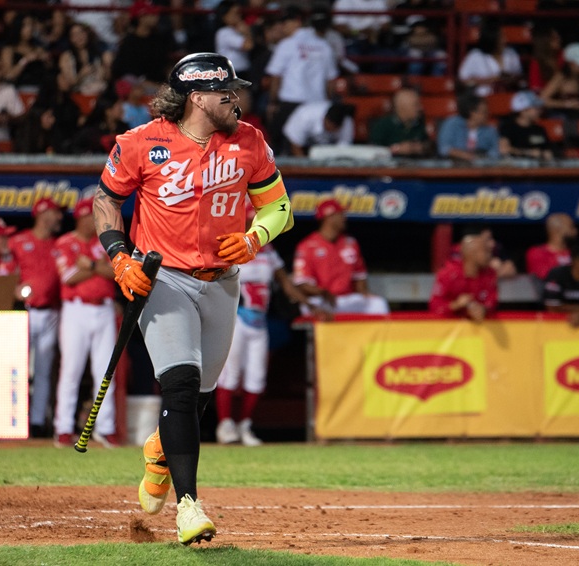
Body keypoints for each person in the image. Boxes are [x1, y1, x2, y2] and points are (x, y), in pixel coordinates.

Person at [93, 52, 293, 544]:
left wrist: (253, 238)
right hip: (164, 277)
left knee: (199, 396)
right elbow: (105, 200)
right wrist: (119, 256)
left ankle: (160, 451)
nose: (237, 99)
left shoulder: (251, 141)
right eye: (227, 91)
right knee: (180, 385)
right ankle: (188, 507)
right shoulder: (141, 142)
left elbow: (281, 207)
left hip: (223, 280)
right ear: (198, 97)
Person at [215, 202, 309, 446]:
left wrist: (309, 304)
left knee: (257, 377)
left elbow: (285, 282)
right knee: (230, 374)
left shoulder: (267, 250)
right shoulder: (231, 246)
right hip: (238, 318)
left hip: (259, 322)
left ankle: (245, 424)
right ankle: (225, 425)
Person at [52, 197, 119, 449]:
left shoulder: (105, 242)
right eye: (93, 216)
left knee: (105, 372)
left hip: (103, 310)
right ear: (81, 217)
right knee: (71, 370)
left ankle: (106, 428)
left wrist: (90, 265)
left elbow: (116, 272)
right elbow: (68, 277)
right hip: (75, 311)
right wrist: (98, 268)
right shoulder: (65, 243)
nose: (97, 220)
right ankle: (64, 428)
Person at [10, 197, 63, 439]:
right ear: (43, 214)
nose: (59, 217)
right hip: (24, 312)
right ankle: (14, 419)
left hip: (52, 312)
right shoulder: (18, 242)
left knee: (43, 370)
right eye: (55, 213)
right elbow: (5, 273)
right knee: (17, 368)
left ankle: (38, 421)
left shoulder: (59, 244)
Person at [293, 198, 389, 316]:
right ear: (329, 217)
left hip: (346, 299)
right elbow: (302, 284)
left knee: (378, 304)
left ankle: (375, 335)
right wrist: (323, 292)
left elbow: (360, 278)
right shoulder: (307, 246)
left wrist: (365, 294)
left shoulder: (350, 243)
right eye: (340, 214)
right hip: (322, 299)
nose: (344, 218)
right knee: (309, 306)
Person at [265, 5, 339, 155]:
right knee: (312, 147)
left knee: (278, 146)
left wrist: (273, 102)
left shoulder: (286, 44)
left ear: (297, 22)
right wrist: (328, 102)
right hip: (317, 103)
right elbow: (331, 81)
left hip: (290, 103)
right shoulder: (323, 45)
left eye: (285, 23)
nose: (283, 27)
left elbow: (276, 76)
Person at [429, 231, 497, 321]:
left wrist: (483, 310)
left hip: (480, 329)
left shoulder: (490, 274)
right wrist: (456, 305)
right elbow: (435, 306)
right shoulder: (448, 274)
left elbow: (492, 301)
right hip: (449, 329)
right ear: (471, 254)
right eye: (484, 251)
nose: (489, 255)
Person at [457, 21, 523, 97]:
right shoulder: (475, 56)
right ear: (492, 39)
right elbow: (462, 81)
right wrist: (492, 80)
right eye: (501, 38)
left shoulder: (511, 53)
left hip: (507, 97)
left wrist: (510, 79)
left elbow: (519, 75)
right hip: (481, 98)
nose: (505, 40)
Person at [437, 91, 501, 161]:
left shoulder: (490, 131)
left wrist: (483, 157)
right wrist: (464, 155)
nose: (487, 115)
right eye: (484, 112)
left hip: (481, 167)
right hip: (454, 164)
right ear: (472, 112)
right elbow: (444, 148)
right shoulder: (452, 124)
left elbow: (495, 151)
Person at [369, 87, 431, 157]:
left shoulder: (419, 123)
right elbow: (373, 151)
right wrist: (398, 149)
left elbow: (428, 146)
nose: (421, 108)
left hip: (415, 165)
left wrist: (419, 148)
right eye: (416, 105)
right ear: (402, 107)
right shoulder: (383, 125)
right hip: (388, 166)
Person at [282, 100, 354, 156]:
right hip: (301, 145)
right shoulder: (305, 116)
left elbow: (343, 149)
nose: (330, 131)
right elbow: (295, 144)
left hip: (328, 150)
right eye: (328, 128)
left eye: (334, 129)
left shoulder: (346, 122)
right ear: (324, 119)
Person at [499, 90, 553, 160]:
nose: (539, 111)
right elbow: (504, 149)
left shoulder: (539, 129)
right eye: (535, 108)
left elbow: (548, 151)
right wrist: (529, 153)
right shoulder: (508, 128)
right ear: (523, 110)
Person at [526, 212, 577, 280]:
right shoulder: (536, 253)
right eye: (571, 227)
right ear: (557, 230)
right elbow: (545, 277)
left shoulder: (575, 253)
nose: (575, 231)